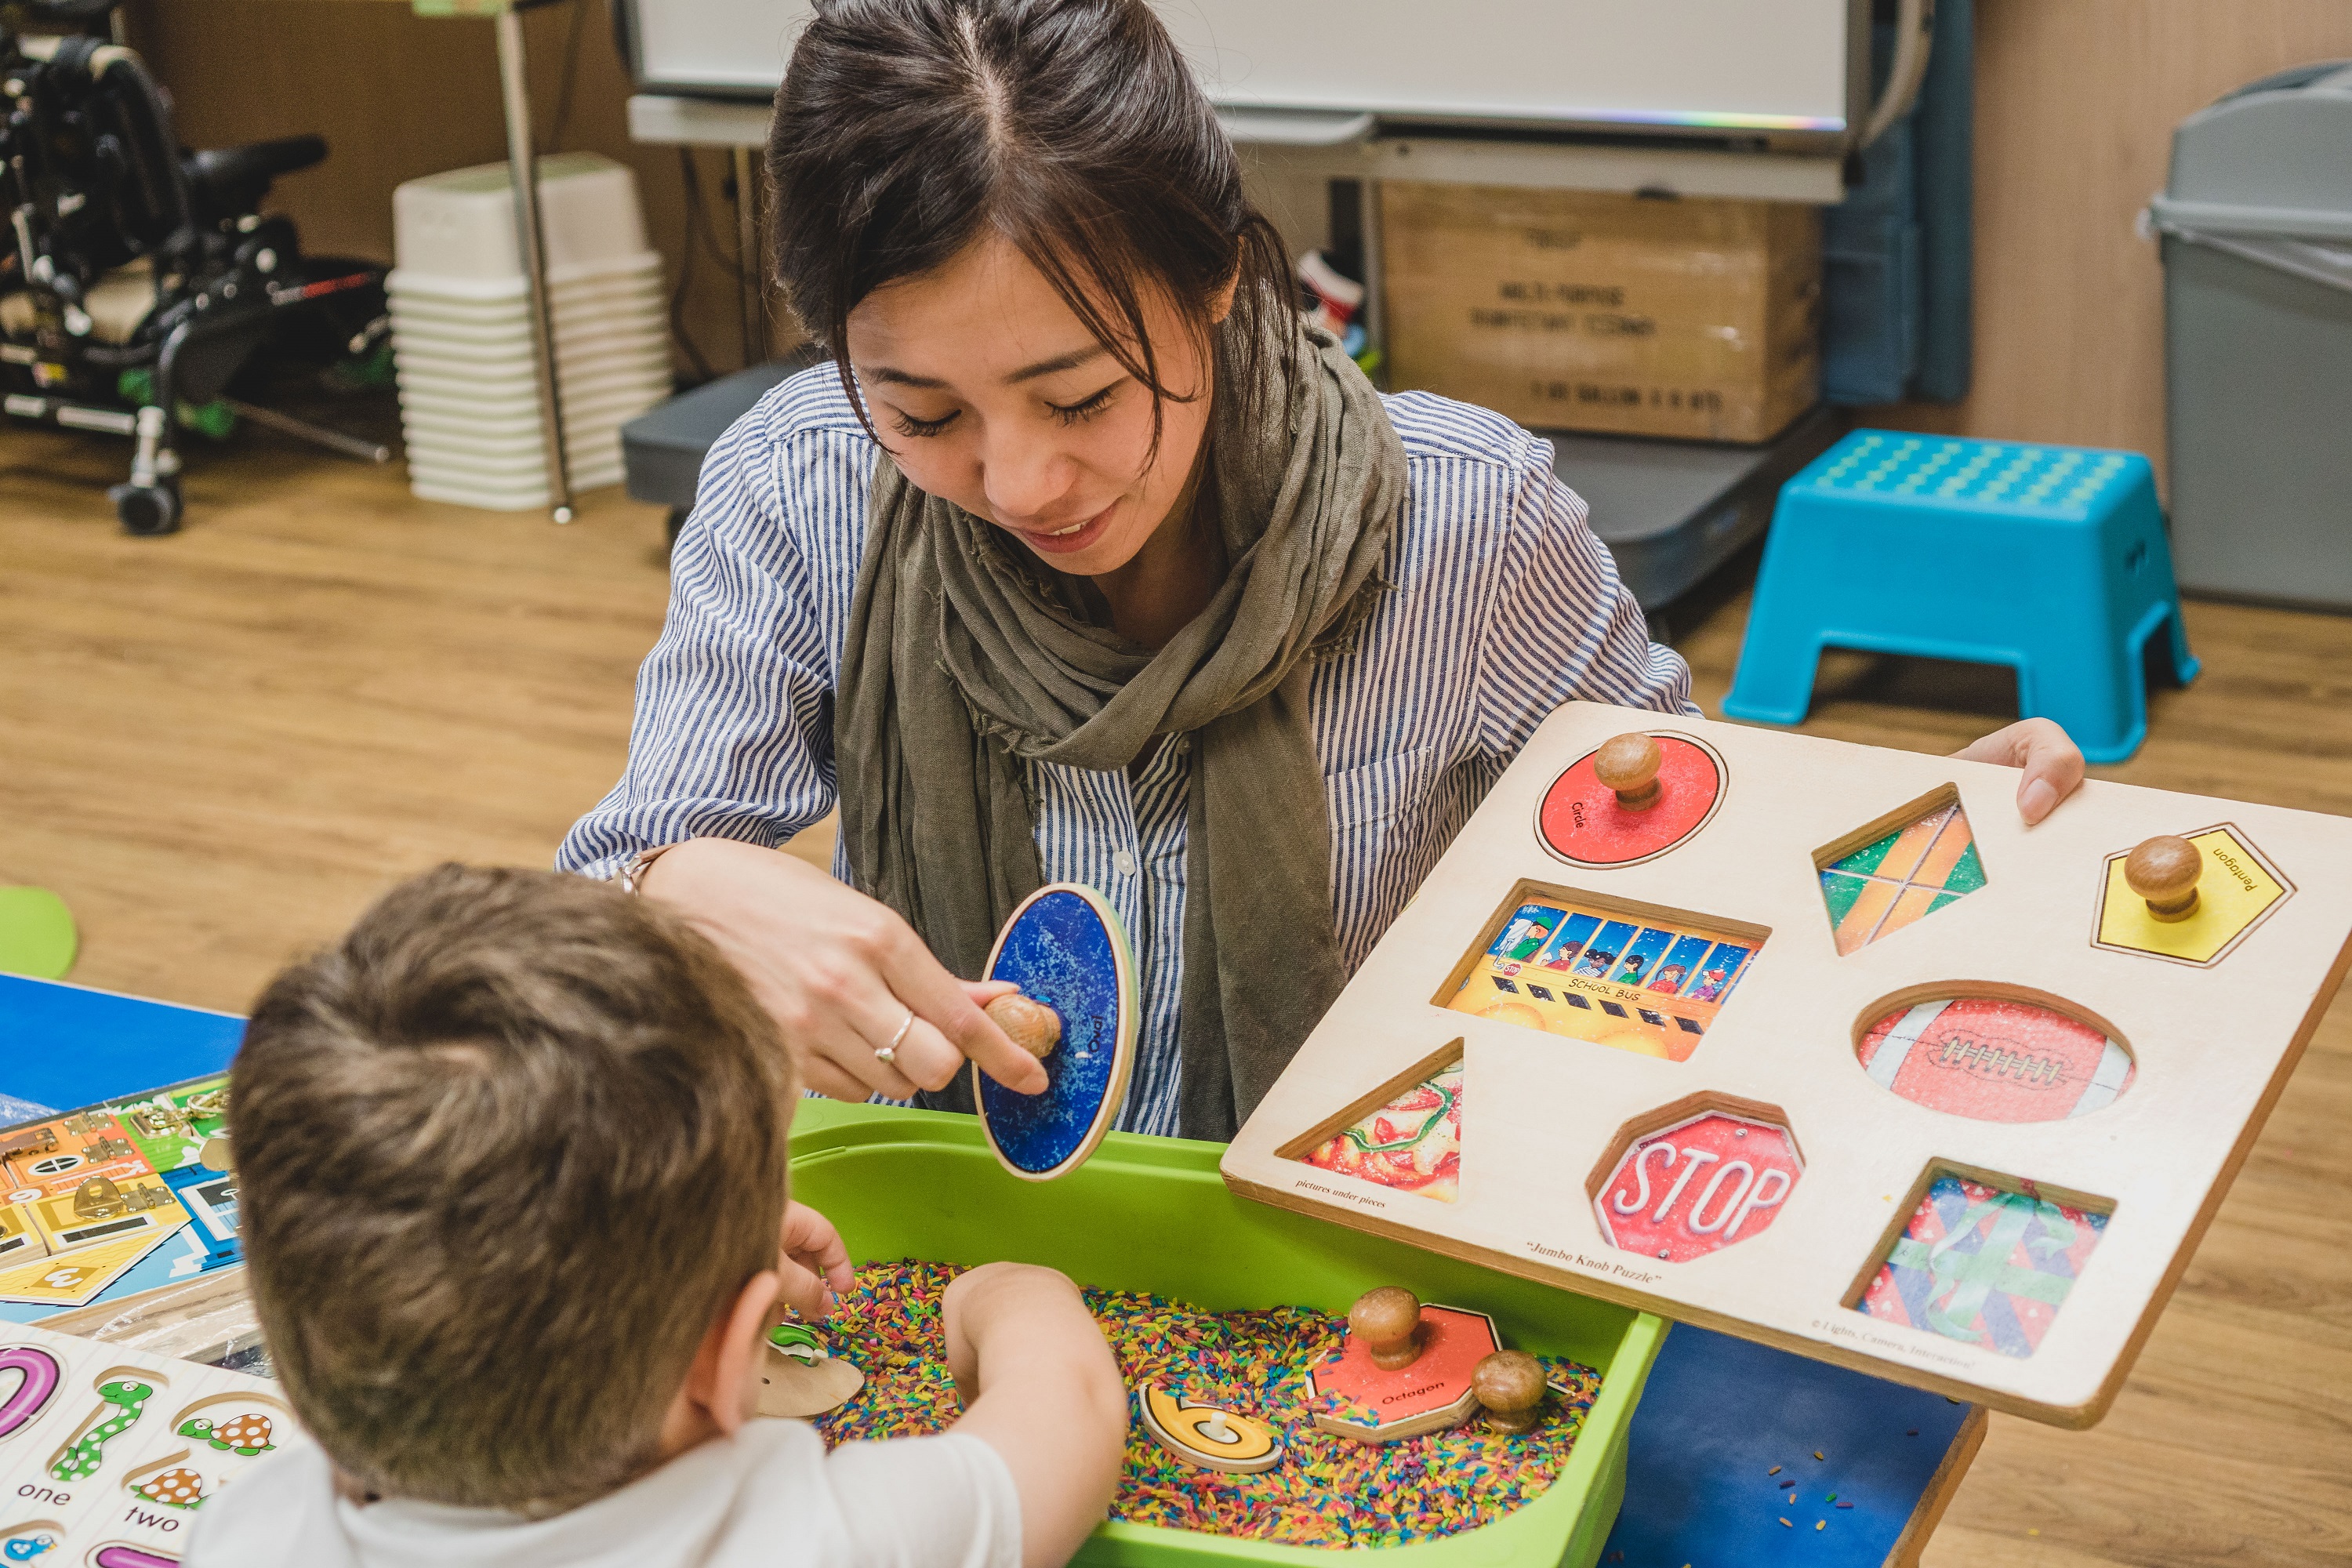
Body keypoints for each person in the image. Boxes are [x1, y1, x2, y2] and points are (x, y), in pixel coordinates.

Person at [557, 0, 2085, 1141]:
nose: (1018, 482)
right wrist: (678, 886)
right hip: (958, 1244)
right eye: (925, 411)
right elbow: (597, 913)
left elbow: (1669, 848)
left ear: (1224, 274)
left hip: (1362, 1220)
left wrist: (1923, 835)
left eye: (1082, 396)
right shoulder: (801, 480)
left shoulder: (1464, 520)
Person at [185, 865, 1128, 1568]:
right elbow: (1074, 1413)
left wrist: (673, 1263)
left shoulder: (248, 1530)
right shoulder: (816, 1540)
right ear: (731, 1366)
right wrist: (1012, 1294)